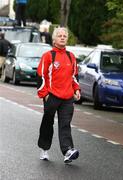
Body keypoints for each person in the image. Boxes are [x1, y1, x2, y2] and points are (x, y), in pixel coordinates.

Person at [37, 27, 81, 164]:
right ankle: (44, 149)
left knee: (65, 124)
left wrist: (76, 90)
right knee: (47, 123)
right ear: (54, 39)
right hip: (52, 96)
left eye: (64, 36)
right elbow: (41, 76)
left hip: (67, 98)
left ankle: (67, 151)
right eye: (59, 36)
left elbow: (74, 76)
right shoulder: (48, 56)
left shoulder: (71, 56)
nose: (62, 38)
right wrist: (44, 94)